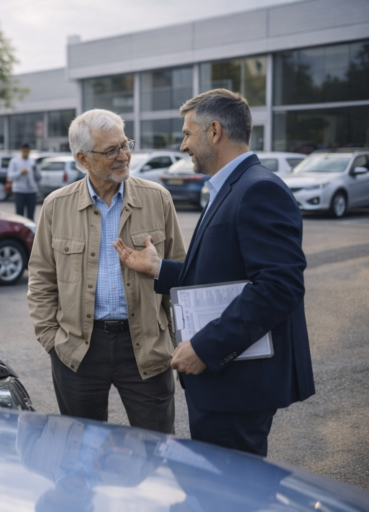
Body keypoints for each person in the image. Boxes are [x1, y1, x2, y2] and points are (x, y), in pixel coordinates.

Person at [113, 89, 315, 456]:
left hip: (236, 385)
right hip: (223, 382)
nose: (183, 146)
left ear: (215, 131)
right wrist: (158, 268)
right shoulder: (233, 187)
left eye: (187, 134)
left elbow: (278, 287)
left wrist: (205, 348)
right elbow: (223, 276)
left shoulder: (259, 189)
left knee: (230, 484)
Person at [27, 109, 186, 434]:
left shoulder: (158, 198)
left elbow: (181, 275)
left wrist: (177, 340)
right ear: (83, 158)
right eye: (111, 150)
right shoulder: (56, 205)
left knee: (156, 447)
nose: (123, 156)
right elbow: (41, 277)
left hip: (146, 347)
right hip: (78, 349)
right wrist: (52, 340)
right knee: (80, 448)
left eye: (125, 145)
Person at [7, 143, 41, 220]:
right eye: (24, 151)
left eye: (27, 151)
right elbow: (10, 176)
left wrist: (35, 169)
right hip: (19, 191)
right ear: (21, 151)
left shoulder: (33, 161)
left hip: (31, 191)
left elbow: (38, 177)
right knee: (19, 215)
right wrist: (20, 172)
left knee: (31, 215)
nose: (26, 153)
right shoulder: (14, 161)